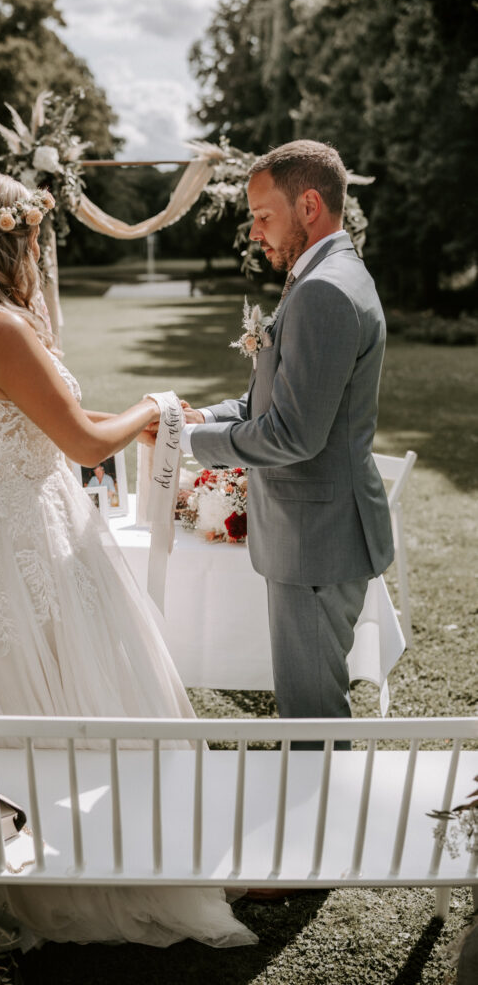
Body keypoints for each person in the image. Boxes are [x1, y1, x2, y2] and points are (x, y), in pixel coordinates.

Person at [0, 169, 256, 949]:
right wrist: (155, 406)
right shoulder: (0, 327)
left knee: (10, 699)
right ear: (13, 240)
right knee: (80, 696)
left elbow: (41, 417)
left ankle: (25, 856)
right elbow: (76, 443)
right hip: (34, 532)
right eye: (35, 238)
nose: (39, 252)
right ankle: (98, 866)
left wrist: (123, 424)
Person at [177, 140, 394, 741]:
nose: (254, 232)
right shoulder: (322, 276)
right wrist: (196, 419)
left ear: (310, 205)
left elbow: (293, 435)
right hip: (314, 535)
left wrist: (192, 449)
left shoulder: (325, 290)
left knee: (312, 722)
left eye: (264, 215)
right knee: (308, 711)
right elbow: (263, 404)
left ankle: (325, 828)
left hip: (318, 543)